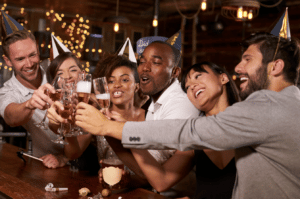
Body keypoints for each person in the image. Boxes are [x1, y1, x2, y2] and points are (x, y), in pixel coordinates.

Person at [76, 32, 300, 198]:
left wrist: (108, 127)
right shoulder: (288, 103)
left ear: (276, 67)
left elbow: (189, 131)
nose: (238, 67)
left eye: (247, 59)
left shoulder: (268, 105)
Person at [130, 61, 239, 198]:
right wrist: (131, 141)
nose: (192, 86)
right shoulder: (193, 132)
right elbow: (162, 181)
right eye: (187, 87)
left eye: (198, 76)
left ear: (223, 78)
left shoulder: (251, 121)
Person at [0, 27, 67, 168]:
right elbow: (10, 116)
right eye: (20, 59)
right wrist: (29, 104)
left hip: (86, 158)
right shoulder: (9, 90)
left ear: (37, 49)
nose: (29, 64)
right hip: (49, 165)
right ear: (8, 61)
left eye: (32, 55)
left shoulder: (55, 68)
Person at [46, 51, 100, 173]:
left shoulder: (93, 103)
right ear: (55, 82)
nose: (67, 76)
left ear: (83, 74)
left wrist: (63, 158)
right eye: (60, 73)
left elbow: (75, 152)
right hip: (70, 172)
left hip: (93, 172)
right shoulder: (58, 106)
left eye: (73, 70)